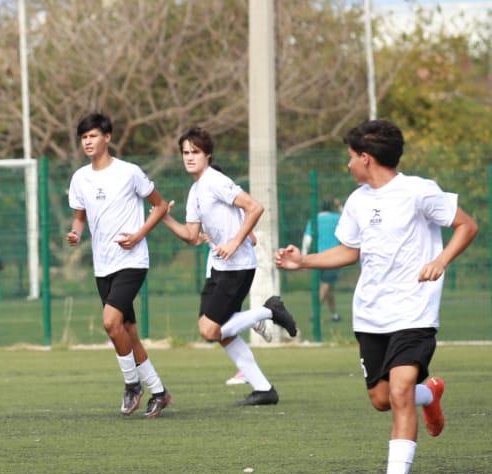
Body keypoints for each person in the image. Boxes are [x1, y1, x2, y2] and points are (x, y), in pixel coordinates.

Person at [276, 119, 477, 474]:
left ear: (365, 158)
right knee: (382, 399)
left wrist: (440, 260)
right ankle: (430, 394)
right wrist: (304, 262)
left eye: (350, 158)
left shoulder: (420, 191)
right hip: (371, 315)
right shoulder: (357, 201)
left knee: (400, 390)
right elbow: (349, 251)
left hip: (414, 310)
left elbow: (466, 226)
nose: (347, 164)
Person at [160, 128, 299, 407]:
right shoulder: (195, 189)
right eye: (185, 152)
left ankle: (269, 311)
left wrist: (236, 240)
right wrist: (163, 217)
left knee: (211, 331)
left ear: (207, 156)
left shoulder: (214, 181)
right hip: (219, 268)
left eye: (195, 152)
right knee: (220, 332)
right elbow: (190, 236)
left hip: (237, 266)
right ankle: (263, 389)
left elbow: (255, 207)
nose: (189, 157)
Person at [65, 113, 174, 418]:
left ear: (107, 138)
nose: (88, 142)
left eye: (93, 136)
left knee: (111, 322)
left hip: (132, 260)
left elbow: (160, 204)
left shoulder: (129, 172)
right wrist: (75, 233)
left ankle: (132, 385)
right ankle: (160, 392)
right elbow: (79, 217)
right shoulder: (79, 178)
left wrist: (139, 234)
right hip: (103, 266)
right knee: (127, 332)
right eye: (84, 137)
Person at [302, 197, 344, 322]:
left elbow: (307, 239)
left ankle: (334, 314)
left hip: (319, 257)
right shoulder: (337, 218)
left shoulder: (314, 219)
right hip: (334, 256)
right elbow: (349, 217)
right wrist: (340, 205)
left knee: (328, 287)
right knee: (326, 285)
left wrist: (303, 257)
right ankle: (315, 314)